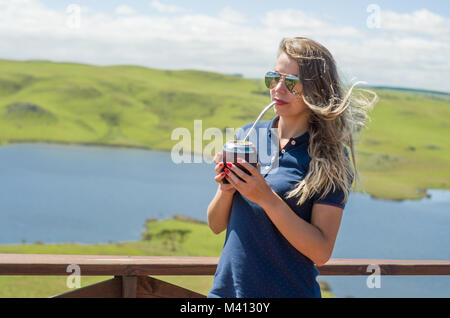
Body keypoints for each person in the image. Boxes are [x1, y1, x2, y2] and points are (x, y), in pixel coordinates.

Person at [206, 37, 377, 298]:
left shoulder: (330, 158)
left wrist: (266, 198)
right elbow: (216, 224)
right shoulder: (248, 136)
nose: (278, 88)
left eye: (292, 83)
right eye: (273, 78)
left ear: (316, 90)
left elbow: (321, 252)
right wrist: (226, 189)